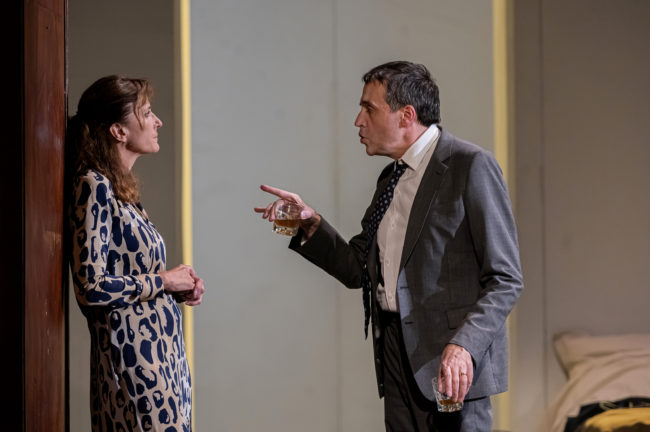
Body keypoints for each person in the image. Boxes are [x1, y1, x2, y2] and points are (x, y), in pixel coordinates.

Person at [255, 61, 523, 431]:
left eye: (369, 108)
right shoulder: (391, 179)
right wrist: (309, 223)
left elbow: (505, 278)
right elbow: (358, 268)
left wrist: (465, 346)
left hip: (452, 365)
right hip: (396, 357)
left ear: (406, 115)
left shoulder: (470, 166)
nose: (358, 121)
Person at [67, 75, 205, 432]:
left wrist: (175, 287)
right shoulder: (94, 185)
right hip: (135, 365)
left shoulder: (120, 188)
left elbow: (131, 279)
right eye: (146, 113)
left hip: (161, 361)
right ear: (119, 131)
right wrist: (162, 280)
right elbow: (91, 285)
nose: (158, 121)